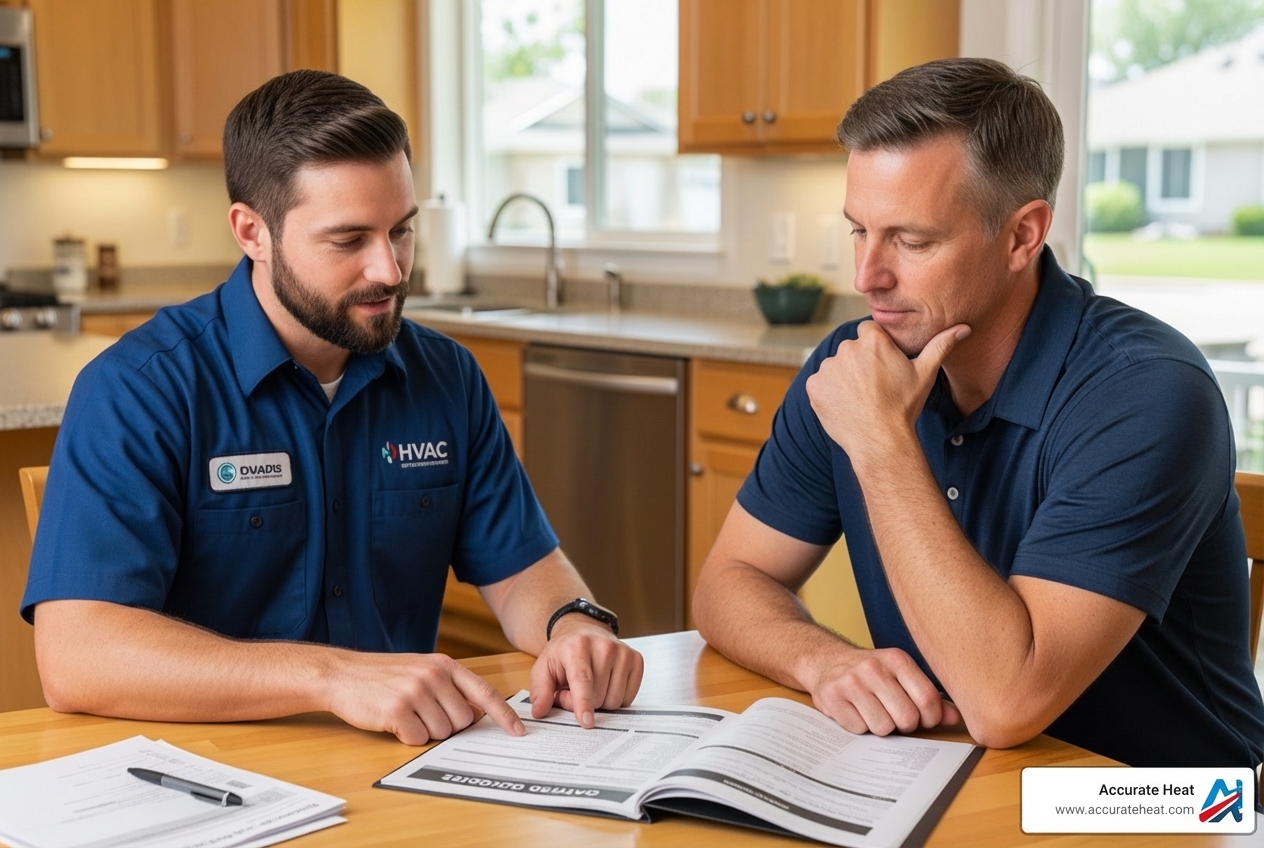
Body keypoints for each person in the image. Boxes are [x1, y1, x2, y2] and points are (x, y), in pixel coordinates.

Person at [21, 70, 642, 745]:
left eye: (400, 231)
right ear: (251, 232)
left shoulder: (447, 377)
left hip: (409, 762)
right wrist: (331, 677)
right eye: (349, 241)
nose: (391, 270)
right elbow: (76, 657)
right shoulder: (140, 389)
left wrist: (572, 624)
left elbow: (524, 572)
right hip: (204, 773)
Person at [692, 57, 1264, 768]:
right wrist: (821, 661)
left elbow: (1004, 703)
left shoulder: (1146, 393)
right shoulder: (858, 364)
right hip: (959, 775)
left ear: (1023, 235)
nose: (867, 275)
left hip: (1159, 803)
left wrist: (881, 443)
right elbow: (728, 583)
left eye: (912, 240)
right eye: (858, 232)